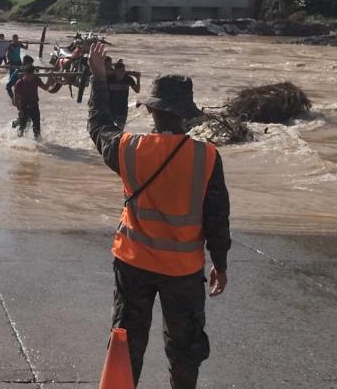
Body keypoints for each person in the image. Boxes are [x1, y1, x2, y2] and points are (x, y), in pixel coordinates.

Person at [86, 43, 230, 389]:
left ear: (152, 112)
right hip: (182, 271)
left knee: (126, 340)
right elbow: (217, 217)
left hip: (132, 263)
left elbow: (98, 126)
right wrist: (220, 263)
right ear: (186, 116)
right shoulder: (207, 157)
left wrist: (98, 78)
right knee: (185, 348)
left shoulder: (129, 148)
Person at [102, 59, 140, 130]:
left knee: (120, 130)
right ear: (115, 71)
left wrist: (138, 78)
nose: (122, 73)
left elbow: (137, 90)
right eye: (120, 71)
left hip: (122, 109)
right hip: (110, 109)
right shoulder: (109, 79)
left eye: (123, 71)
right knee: (109, 130)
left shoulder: (128, 79)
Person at [13, 64, 48, 140]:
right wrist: (19, 110)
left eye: (32, 75)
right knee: (22, 128)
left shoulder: (36, 79)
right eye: (28, 75)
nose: (30, 77)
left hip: (34, 106)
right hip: (24, 107)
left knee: (37, 128)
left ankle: (38, 145)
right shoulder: (19, 83)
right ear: (24, 73)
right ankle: (18, 144)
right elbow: (15, 100)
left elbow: (45, 88)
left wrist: (50, 79)